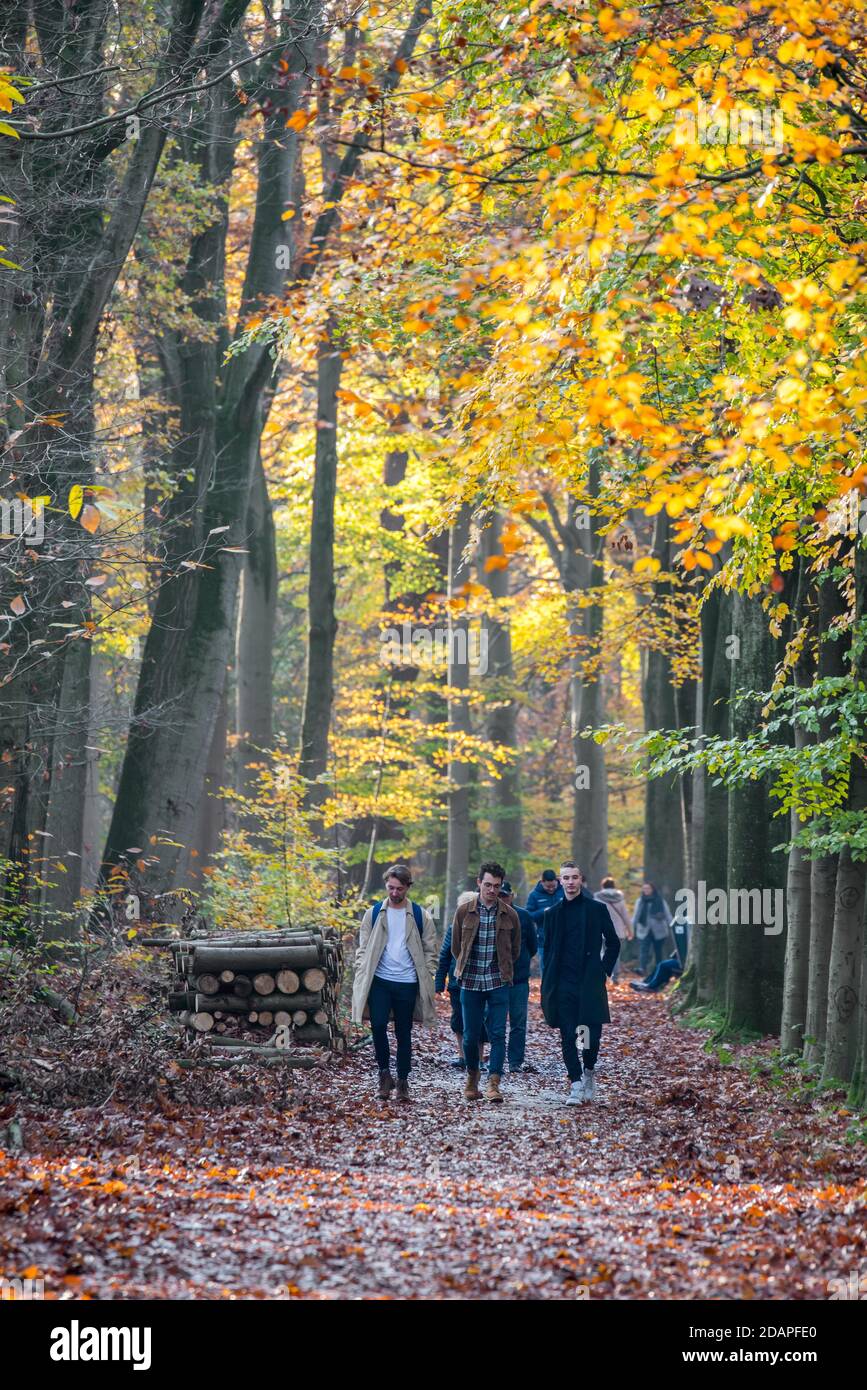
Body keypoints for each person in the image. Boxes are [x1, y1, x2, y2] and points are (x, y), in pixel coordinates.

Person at [352, 864, 437, 1101]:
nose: (394, 892)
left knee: (403, 1033)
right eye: (390, 887)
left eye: (399, 888)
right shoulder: (374, 913)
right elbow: (363, 946)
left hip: (408, 982)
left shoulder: (421, 915)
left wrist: (427, 971)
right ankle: (383, 1074)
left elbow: (431, 949)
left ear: (408, 887)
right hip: (379, 980)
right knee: (377, 1026)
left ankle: (402, 1081)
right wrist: (361, 968)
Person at [541, 861, 620, 1105]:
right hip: (563, 982)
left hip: (589, 982)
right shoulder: (552, 914)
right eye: (566, 878)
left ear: (581, 880)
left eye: (575, 877)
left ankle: (588, 1072)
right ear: (560, 882)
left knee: (589, 1035)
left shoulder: (596, 909)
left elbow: (613, 942)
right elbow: (548, 949)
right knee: (568, 1034)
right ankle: (575, 1084)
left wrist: (603, 970)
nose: (571, 882)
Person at [451, 861, 521, 1103]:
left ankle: (494, 1083)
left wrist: (503, 970)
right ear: (479, 883)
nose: (492, 890)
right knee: (470, 1036)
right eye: (488, 884)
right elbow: (456, 946)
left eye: (496, 886)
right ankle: (472, 1076)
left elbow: (515, 950)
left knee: (499, 1034)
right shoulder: (464, 912)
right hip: (470, 981)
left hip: (498, 981)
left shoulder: (510, 914)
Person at [434, 891, 487, 1069]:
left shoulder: (486, 927)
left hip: (481, 982)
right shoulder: (452, 929)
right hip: (457, 983)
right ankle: (462, 1056)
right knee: (459, 1020)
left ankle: (479, 1059)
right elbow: (444, 956)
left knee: (480, 1021)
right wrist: (439, 982)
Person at [498, 882, 538, 1073]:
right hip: (495, 978)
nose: (502, 899)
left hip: (519, 978)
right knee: (493, 1020)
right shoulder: (489, 914)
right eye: (499, 895)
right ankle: (494, 1058)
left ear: (512, 896)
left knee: (518, 1022)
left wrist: (520, 961)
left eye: (505, 895)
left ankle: (515, 1061)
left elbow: (533, 945)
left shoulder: (523, 916)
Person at [594, 875, 633, 982]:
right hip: (618, 932)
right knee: (616, 954)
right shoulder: (620, 899)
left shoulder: (598, 898)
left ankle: (603, 975)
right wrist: (630, 931)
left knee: (603, 952)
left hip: (602, 931)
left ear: (603, 886)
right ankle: (615, 976)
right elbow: (625, 916)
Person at [525, 869, 564, 974]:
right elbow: (529, 915)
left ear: (557, 881)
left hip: (565, 939)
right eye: (548, 887)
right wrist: (544, 912)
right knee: (546, 970)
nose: (551, 889)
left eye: (553, 886)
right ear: (542, 882)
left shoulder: (564, 891)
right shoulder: (534, 895)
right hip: (544, 940)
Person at [632, 882, 674, 976]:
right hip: (643, 930)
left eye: (648, 888)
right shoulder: (640, 901)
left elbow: (668, 915)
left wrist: (672, 926)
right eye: (644, 888)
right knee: (643, 950)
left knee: (658, 951)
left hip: (659, 931)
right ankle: (642, 969)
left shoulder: (660, 900)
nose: (646, 890)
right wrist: (630, 929)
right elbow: (636, 916)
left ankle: (659, 971)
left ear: (652, 890)